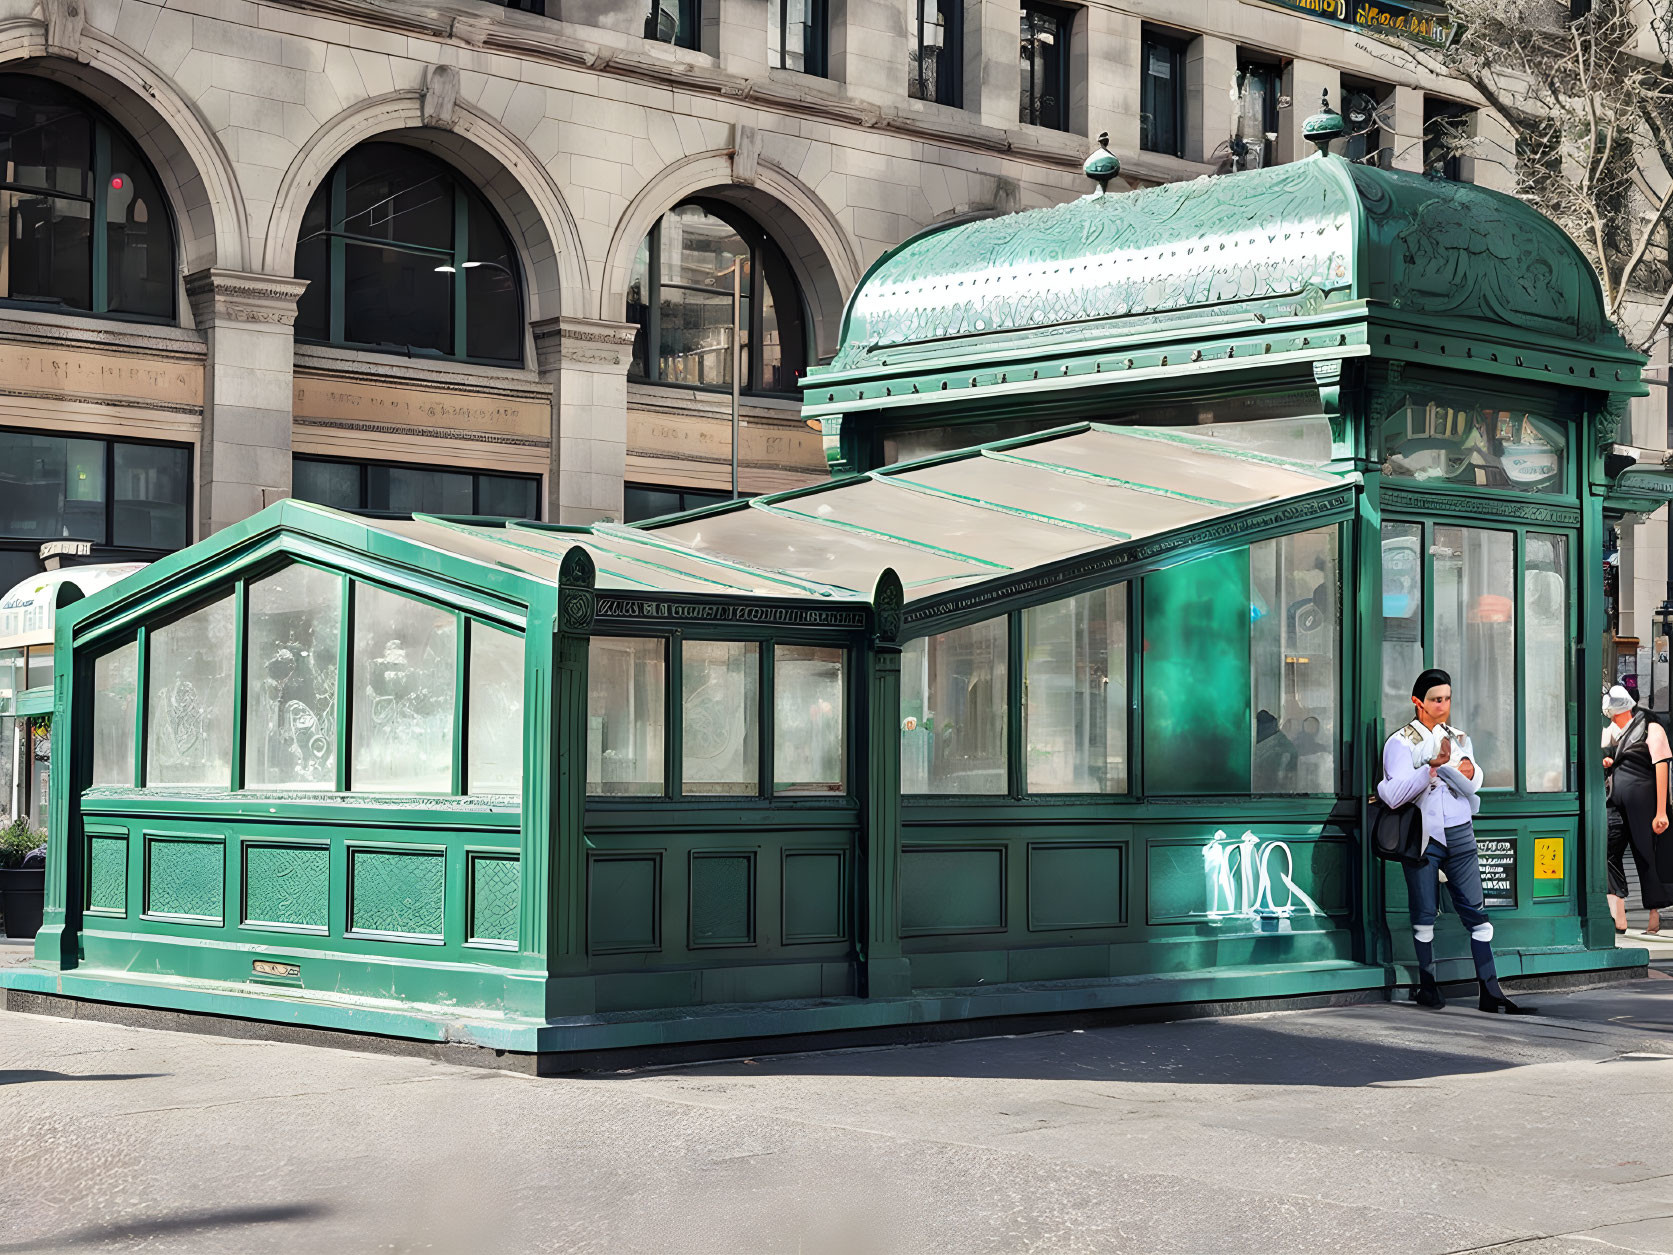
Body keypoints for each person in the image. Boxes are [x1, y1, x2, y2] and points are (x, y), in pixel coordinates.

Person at [1378, 667, 1534, 1014]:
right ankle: (1429, 986)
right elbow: (1393, 795)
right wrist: (1432, 769)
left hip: (1461, 832)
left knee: (1478, 913)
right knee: (1423, 913)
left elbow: (1476, 776)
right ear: (1418, 702)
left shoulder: (1460, 736)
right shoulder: (1400, 742)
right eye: (1436, 700)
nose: (1443, 706)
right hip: (1422, 835)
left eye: (1447, 699)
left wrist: (1468, 772)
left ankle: (1490, 991)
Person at [1602, 685, 1671, 935]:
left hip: (1645, 801)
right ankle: (1618, 908)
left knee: (1647, 855)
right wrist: (1607, 759)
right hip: (1616, 798)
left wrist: (1661, 810)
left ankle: (1656, 913)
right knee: (1607, 848)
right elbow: (1602, 747)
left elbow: (1661, 765)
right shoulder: (1612, 730)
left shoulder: (1651, 727)